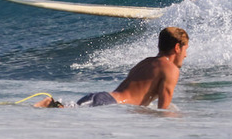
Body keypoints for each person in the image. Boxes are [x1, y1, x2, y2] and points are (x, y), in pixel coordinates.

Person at [35, 27, 189, 109]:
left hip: (102, 98)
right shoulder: (170, 69)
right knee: (66, 112)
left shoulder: (146, 62)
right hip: (109, 105)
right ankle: (50, 103)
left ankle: (51, 103)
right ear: (177, 47)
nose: (186, 55)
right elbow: (163, 110)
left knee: (68, 110)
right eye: (185, 49)